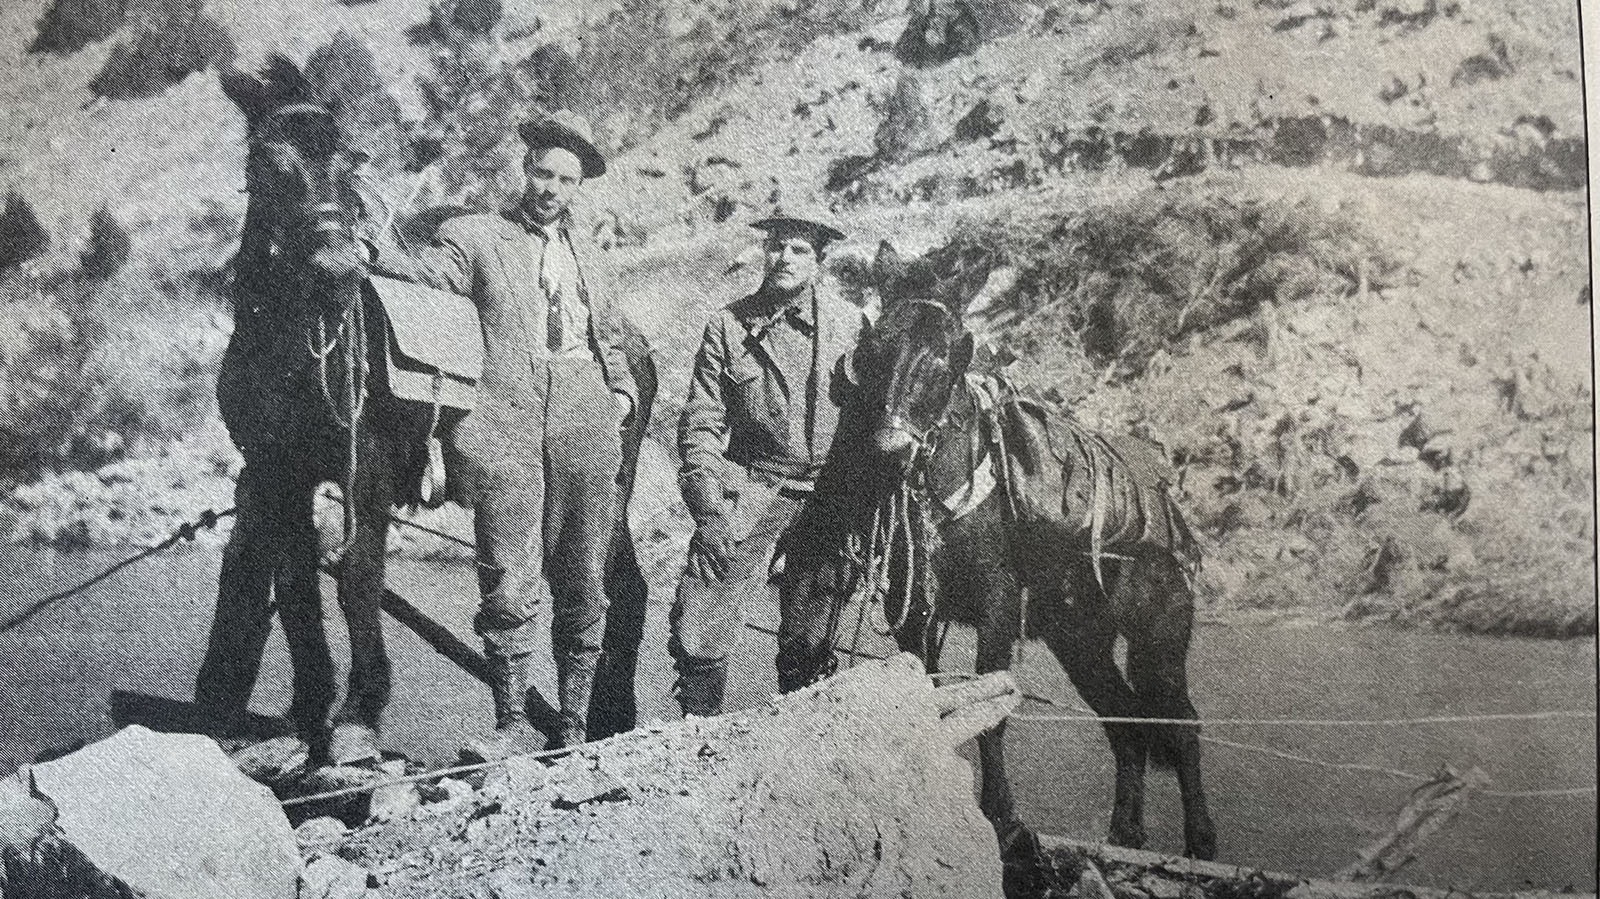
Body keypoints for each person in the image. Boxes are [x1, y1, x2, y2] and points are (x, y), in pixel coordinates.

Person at [374, 110, 638, 756]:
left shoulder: (594, 257)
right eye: (543, 172)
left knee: (583, 574)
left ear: (579, 187)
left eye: (565, 179)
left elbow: (610, 332)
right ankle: (513, 722)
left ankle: (575, 725)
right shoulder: (476, 236)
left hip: (584, 416)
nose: (550, 187)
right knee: (508, 576)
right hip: (504, 421)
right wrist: (374, 253)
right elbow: (430, 275)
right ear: (525, 169)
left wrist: (623, 391)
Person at [670, 211, 868, 717]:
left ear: (819, 262)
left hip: (828, 495)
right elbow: (701, 423)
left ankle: (794, 752)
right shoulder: (728, 326)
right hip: (750, 484)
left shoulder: (853, 327)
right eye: (777, 246)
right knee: (700, 622)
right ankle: (697, 741)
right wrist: (707, 506)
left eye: (799, 250)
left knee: (811, 636)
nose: (784, 258)